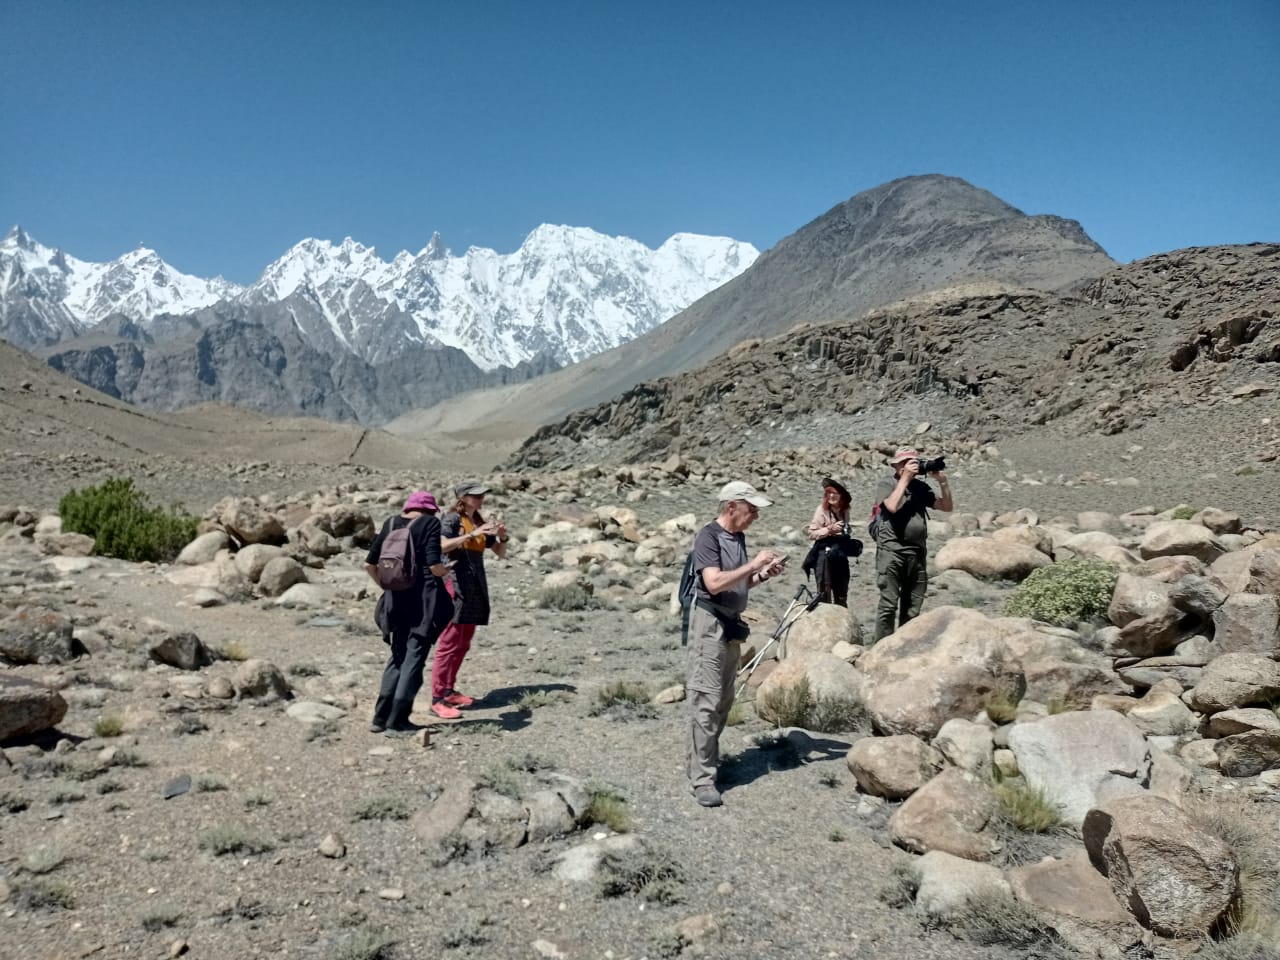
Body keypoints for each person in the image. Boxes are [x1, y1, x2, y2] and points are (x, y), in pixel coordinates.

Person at [687, 480, 785, 808]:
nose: (755, 515)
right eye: (751, 508)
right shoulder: (708, 537)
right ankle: (702, 779)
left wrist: (761, 575)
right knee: (706, 698)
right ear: (731, 507)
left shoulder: (737, 537)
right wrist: (753, 564)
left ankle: (707, 763)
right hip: (710, 624)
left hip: (730, 624)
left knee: (724, 699)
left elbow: (738, 582)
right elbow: (713, 583)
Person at [364, 490, 452, 734]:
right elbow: (434, 565)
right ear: (429, 509)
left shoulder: (390, 522)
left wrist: (385, 585)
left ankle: (380, 719)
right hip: (423, 600)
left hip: (395, 599)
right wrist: (446, 571)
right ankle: (398, 721)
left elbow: (369, 564)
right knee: (414, 658)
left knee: (398, 655)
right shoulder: (430, 523)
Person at [431, 480, 509, 720]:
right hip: (455, 582)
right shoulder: (453, 519)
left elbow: (499, 553)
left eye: (482, 495)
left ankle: (449, 690)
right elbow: (442, 546)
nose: (480, 498)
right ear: (463, 497)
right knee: (450, 640)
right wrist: (471, 535)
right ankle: (437, 698)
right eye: (475, 495)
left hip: (475, 584)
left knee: (464, 641)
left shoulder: (479, 521)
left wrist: (502, 537)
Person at [871, 449, 953, 642]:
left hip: (916, 552)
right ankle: (881, 647)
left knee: (913, 606)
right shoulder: (887, 483)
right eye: (906, 462)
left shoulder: (920, 487)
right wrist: (905, 479)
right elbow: (891, 506)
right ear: (896, 466)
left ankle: (904, 645)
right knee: (889, 604)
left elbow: (947, 507)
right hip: (892, 550)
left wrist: (942, 481)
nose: (911, 465)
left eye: (914, 462)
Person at [806, 477, 855, 606]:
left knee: (841, 591)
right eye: (829, 493)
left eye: (835, 493)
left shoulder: (845, 511)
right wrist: (829, 530)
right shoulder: (822, 510)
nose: (831, 496)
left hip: (839, 554)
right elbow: (812, 533)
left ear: (842, 495)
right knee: (824, 592)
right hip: (824, 555)